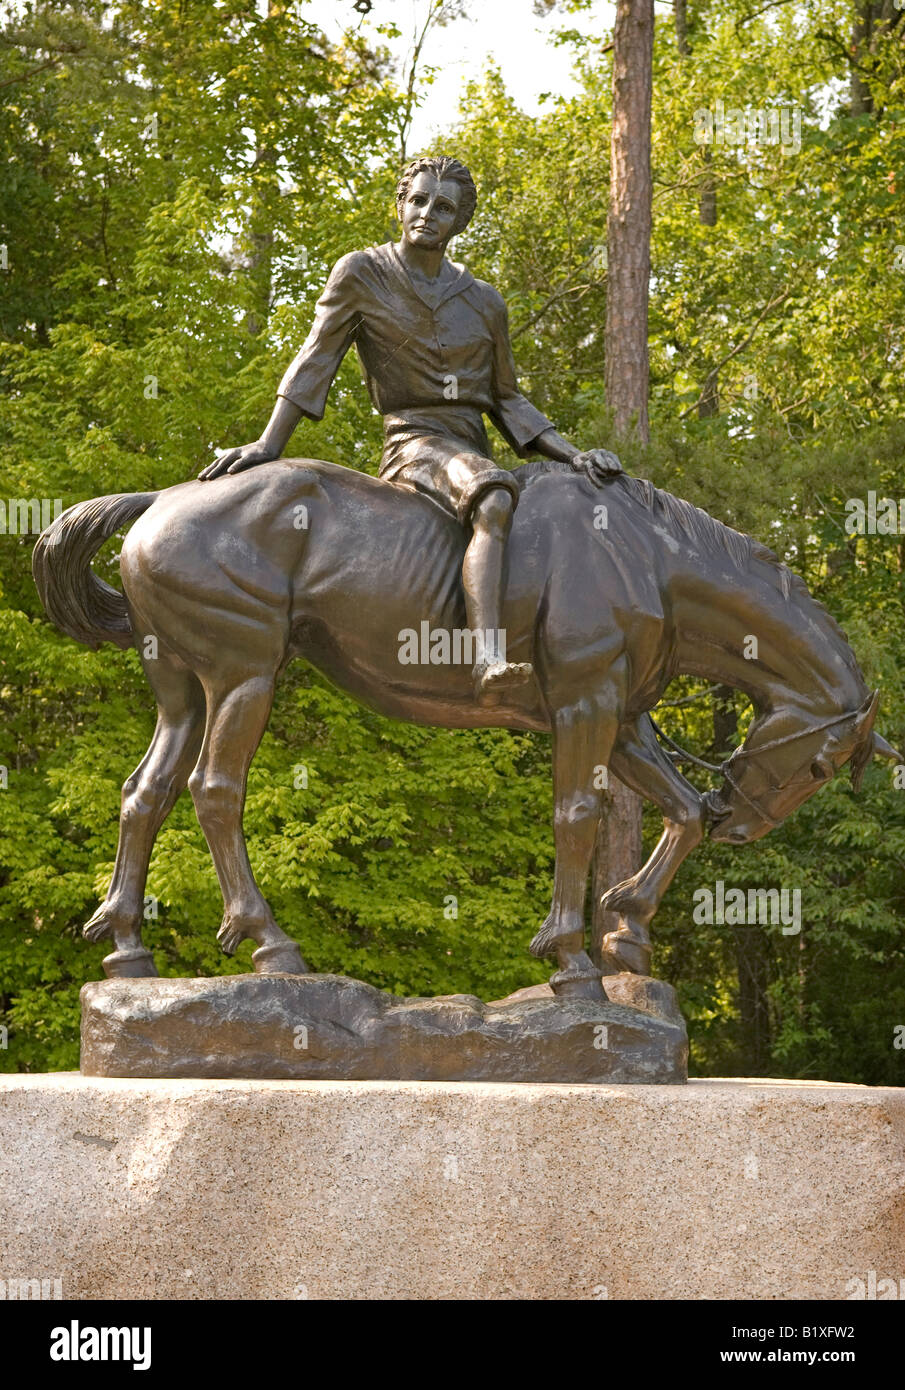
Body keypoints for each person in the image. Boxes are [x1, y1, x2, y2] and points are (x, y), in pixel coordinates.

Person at [200, 154, 621, 702]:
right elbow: (314, 361)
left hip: (471, 446)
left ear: (460, 221)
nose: (427, 213)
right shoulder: (362, 273)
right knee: (495, 495)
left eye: (443, 207)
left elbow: (507, 397)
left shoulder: (485, 301)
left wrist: (573, 456)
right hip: (414, 442)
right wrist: (268, 445)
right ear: (400, 204)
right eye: (418, 200)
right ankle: (488, 657)